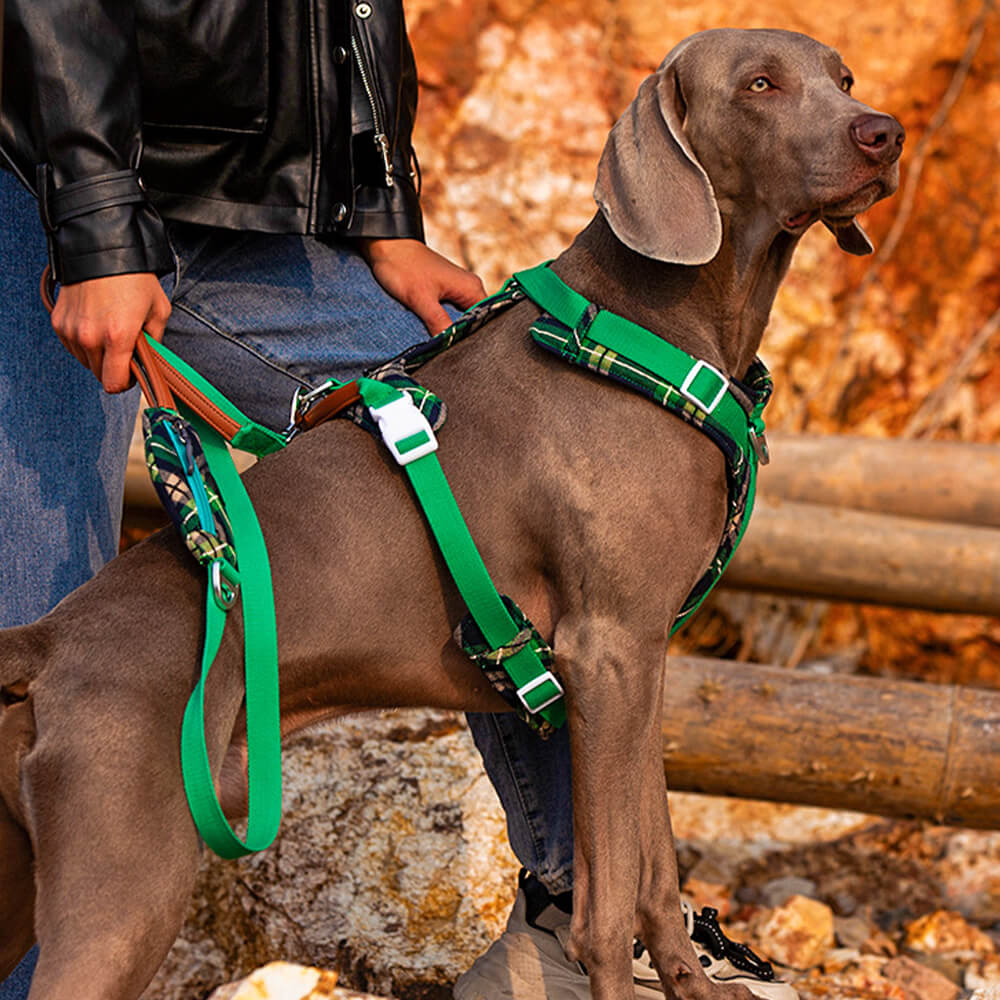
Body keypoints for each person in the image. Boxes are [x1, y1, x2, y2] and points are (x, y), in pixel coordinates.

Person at [0, 3, 792, 998]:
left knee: (502, 489)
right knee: (40, 644)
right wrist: (97, 222)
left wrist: (383, 215)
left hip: (250, 206)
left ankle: (582, 908)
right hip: (36, 173)